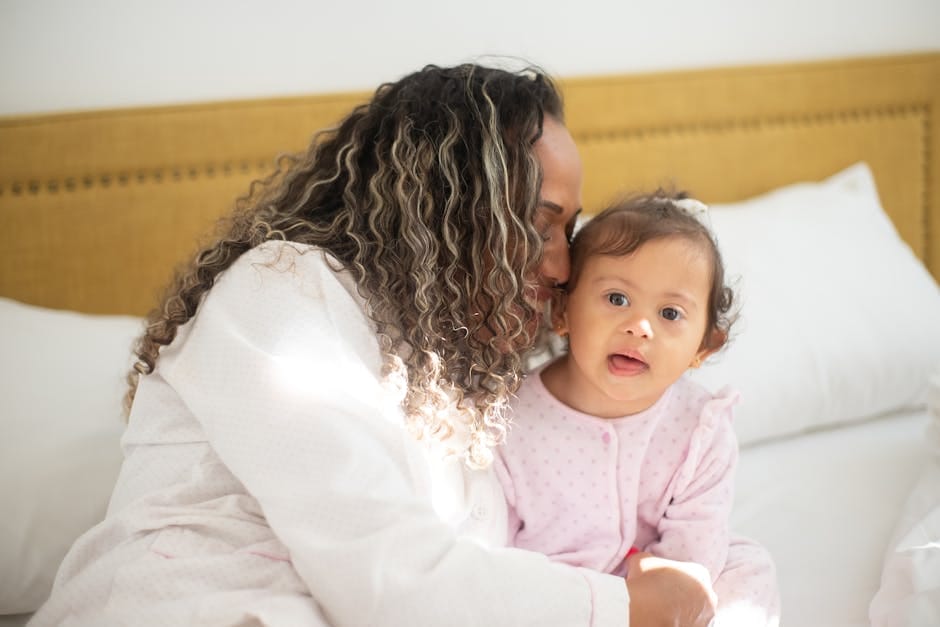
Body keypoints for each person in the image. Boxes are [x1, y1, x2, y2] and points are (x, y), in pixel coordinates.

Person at [30, 64, 716, 627]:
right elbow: (388, 577)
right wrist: (617, 605)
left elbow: (485, 575)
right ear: (455, 204)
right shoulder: (282, 292)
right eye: (540, 223)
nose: (564, 267)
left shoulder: (463, 377)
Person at [495, 193, 781, 625]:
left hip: (664, 591)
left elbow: (692, 555)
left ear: (703, 347)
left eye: (670, 312)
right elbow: (495, 550)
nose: (640, 327)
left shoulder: (700, 428)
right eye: (616, 299)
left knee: (747, 566)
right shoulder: (510, 418)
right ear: (562, 312)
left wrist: (659, 596)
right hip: (561, 597)